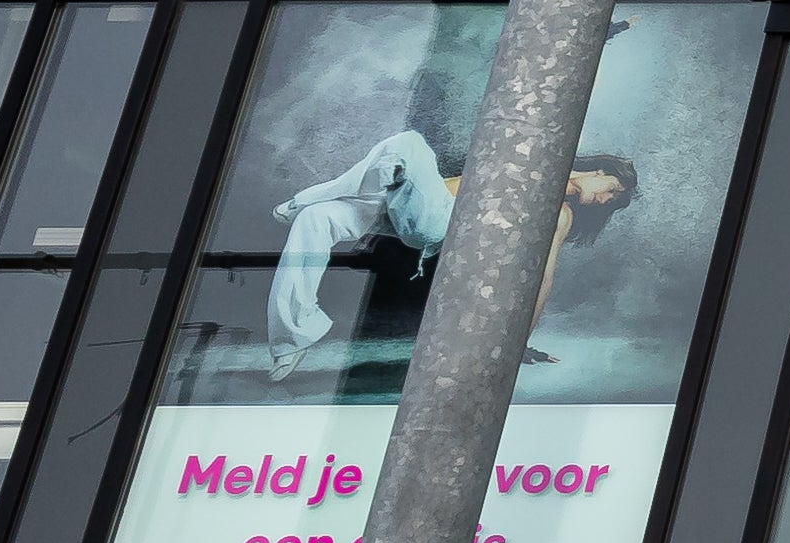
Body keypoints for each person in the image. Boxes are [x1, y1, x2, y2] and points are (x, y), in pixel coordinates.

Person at [262, 131, 636, 372]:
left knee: (409, 142)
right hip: (409, 205)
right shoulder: (542, 161)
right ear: (599, 171)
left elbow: (543, 276)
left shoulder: (561, 212)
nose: (606, 200)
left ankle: (307, 196)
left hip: (438, 221)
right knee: (316, 220)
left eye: (612, 203)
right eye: (612, 190)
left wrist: (518, 343)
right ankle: (291, 340)